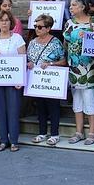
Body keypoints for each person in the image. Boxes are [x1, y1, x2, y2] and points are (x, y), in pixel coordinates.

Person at [0, 10, 26, 152]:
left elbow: (23, 58)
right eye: (2, 20)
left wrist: (21, 79)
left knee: (13, 110)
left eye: (7, 20)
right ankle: (3, 140)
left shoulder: (17, 38)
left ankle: (14, 140)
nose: (4, 23)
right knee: (0, 110)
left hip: (13, 80)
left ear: (11, 23)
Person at [63, 0, 94, 145]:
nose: (71, 8)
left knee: (90, 97)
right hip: (74, 66)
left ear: (83, 7)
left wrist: (89, 36)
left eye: (74, 5)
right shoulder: (69, 23)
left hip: (90, 66)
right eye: (70, 5)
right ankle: (79, 131)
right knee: (77, 98)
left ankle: (92, 132)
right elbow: (66, 44)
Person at [28, 14, 66, 146]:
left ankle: (55, 134)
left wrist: (51, 64)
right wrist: (29, 64)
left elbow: (63, 61)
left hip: (52, 80)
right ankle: (42, 132)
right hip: (37, 80)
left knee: (53, 106)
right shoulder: (32, 43)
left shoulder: (55, 42)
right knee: (40, 106)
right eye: (35, 26)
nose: (37, 29)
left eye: (40, 27)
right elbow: (28, 59)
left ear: (48, 28)